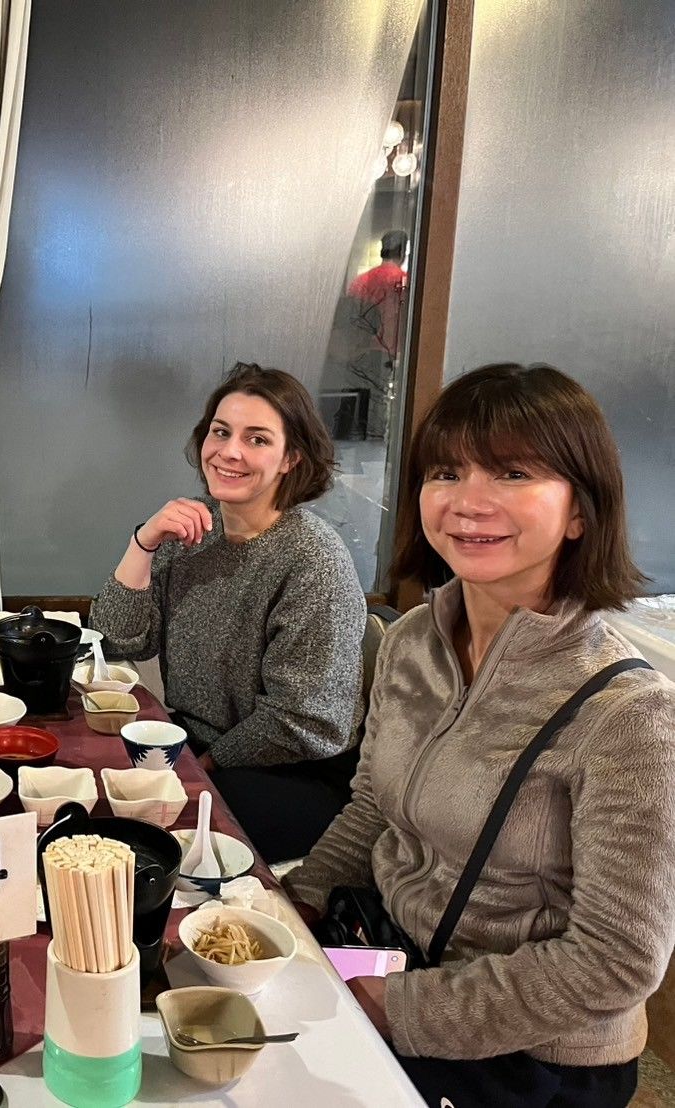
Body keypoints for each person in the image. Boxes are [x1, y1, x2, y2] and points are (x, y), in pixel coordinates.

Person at [286, 364, 675, 1108]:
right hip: (392, 955)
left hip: (534, 1059)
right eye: (446, 472)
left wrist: (399, 1010)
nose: (468, 501)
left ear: (579, 512)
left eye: (513, 472)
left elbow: (617, 960)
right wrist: (293, 905)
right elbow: (372, 807)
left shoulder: (628, 711)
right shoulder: (412, 641)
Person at [91, 363, 365, 862]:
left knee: (144, 840)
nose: (230, 451)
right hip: (198, 742)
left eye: (256, 439)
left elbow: (304, 720)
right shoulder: (196, 526)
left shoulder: (313, 559)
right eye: (221, 432)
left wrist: (203, 765)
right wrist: (144, 542)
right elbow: (116, 642)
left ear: (291, 458)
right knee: (90, 785)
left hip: (289, 772)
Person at [349, 229, 409, 359]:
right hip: (394, 353)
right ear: (402, 252)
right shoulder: (405, 282)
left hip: (362, 353)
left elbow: (352, 318)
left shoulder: (361, 281)